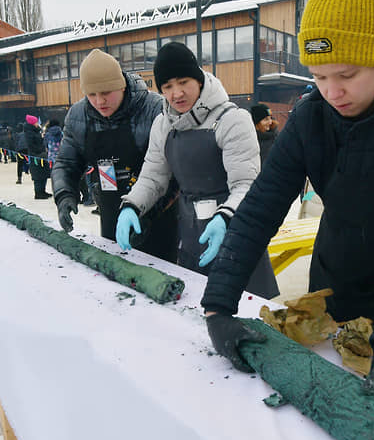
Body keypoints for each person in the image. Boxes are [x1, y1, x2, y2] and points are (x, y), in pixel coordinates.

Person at [199, 0, 374, 395]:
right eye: (319, 77)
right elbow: (262, 206)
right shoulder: (311, 117)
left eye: (346, 74)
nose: (332, 92)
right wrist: (218, 305)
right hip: (332, 280)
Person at [116, 41, 279, 299]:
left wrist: (225, 217)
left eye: (183, 82)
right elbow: (153, 176)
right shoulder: (163, 124)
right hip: (191, 234)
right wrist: (131, 206)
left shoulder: (232, 119)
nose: (176, 93)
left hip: (236, 231)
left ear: (199, 80)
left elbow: (247, 184)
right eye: (167, 86)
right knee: (195, 308)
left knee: (244, 315)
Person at [51, 48, 178, 261]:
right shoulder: (78, 116)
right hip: (110, 209)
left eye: (106, 93)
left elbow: (172, 171)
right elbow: (66, 162)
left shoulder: (154, 109)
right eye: (92, 95)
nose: (100, 101)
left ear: (121, 86)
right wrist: (64, 195)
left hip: (157, 214)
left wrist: (149, 214)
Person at [22, 115, 51, 199]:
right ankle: (38, 193)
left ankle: (43, 191)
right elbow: (31, 145)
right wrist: (39, 151)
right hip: (35, 156)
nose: (37, 123)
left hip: (40, 154)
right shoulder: (29, 133)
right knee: (38, 175)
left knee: (43, 173)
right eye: (36, 122)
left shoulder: (36, 131)